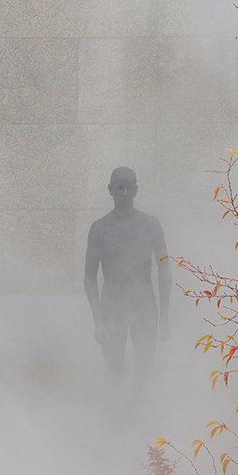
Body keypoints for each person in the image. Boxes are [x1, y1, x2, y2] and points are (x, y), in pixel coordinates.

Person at [84, 167, 171, 392]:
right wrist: (98, 320)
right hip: (112, 305)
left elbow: (164, 268)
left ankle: (139, 414)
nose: (124, 193)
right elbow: (89, 276)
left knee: (145, 369)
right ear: (110, 190)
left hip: (144, 304)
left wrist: (164, 313)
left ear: (136, 190)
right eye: (120, 188)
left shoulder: (151, 225)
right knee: (114, 371)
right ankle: (117, 417)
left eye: (129, 188)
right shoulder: (99, 229)